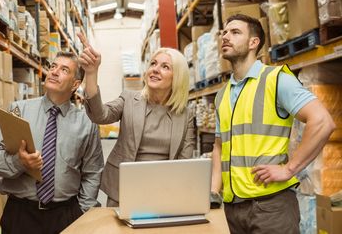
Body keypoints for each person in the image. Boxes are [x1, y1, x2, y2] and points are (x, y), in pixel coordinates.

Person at [211, 14, 335, 233]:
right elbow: (219, 146)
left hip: (270, 207)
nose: (226, 36)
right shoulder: (222, 95)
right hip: (233, 209)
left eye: (235, 32)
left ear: (253, 43)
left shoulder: (276, 79)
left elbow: (323, 121)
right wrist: (213, 192)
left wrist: (289, 169)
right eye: (224, 32)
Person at [0, 51, 104, 234]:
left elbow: (93, 172)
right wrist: (19, 162)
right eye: (53, 66)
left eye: (64, 69)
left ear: (75, 84)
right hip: (21, 214)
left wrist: (82, 210)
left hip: (65, 215)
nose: (54, 72)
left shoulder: (86, 123)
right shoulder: (19, 110)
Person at [77, 32, 195, 207]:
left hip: (164, 191)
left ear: (177, 77)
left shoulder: (186, 115)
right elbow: (99, 115)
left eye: (165, 67)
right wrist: (91, 73)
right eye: (153, 63)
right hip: (124, 188)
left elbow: (185, 162)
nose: (155, 69)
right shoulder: (129, 99)